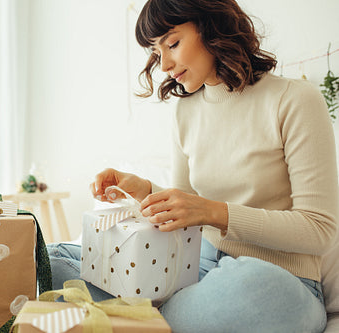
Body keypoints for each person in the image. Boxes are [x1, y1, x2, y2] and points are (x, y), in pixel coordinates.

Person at [47, 0, 338, 332]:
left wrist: (214, 212)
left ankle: (133, 316)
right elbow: (186, 212)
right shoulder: (185, 112)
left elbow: (319, 230)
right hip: (197, 272)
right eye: (157, 53)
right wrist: (144, 190)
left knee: (252, 287)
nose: (165, 65)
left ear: (212, 25)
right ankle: (154, 317)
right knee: (54, 260)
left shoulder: (295, 99)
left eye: (172, 43)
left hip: (278, 282)